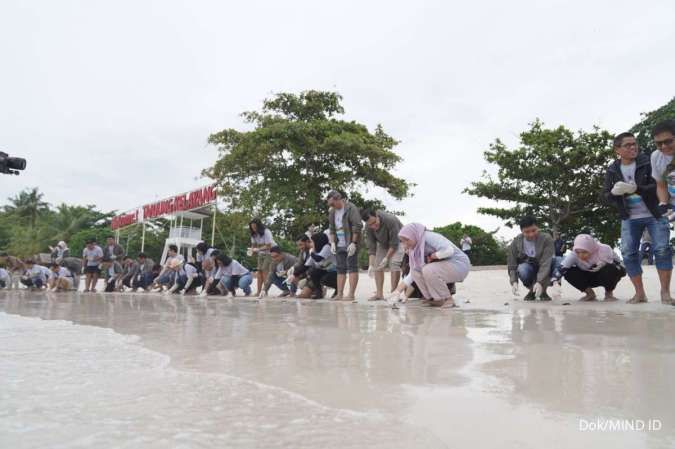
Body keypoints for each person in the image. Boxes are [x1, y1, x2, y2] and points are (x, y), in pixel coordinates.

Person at [604, 131, 672, 304]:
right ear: (617, 149)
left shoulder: (648, 161)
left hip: (655, 213)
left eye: (635, 143)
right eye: (628, 145)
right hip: (629, 217)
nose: (633, 147)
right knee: (628, 253)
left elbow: (657, 186)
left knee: (662, 250)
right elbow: (605, 195)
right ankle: (640, 293)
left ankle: (665, 293)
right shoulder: (612, 169)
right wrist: (613, 193)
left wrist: (635, 188)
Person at [388, 223, 470, 308]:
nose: (405, 244)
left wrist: (432, 256)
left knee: (428, 270)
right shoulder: (414, 248)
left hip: (459, 264)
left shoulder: (429, 237)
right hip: (443, 267)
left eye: (407, 240)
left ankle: (448, 299)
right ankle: (436, 299)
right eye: (402, 241)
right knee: (416, 271)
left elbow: (449, 251)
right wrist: (397, 291)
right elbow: (412, 274)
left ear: (413, 235)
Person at [552, 234, 626, 302]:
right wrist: (555, 282)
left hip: (604, 275)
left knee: (610, 268)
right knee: (568, 272)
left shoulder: (604, 249)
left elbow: (620, 268)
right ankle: (590, 294)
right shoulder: (574, 254)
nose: (581, 255)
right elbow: (561, 268)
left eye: (584, 252)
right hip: (587, 277)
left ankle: (609, 293)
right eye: (578, 252)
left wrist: (603, 264)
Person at [507, 216, 558, 301]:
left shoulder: (546, 239)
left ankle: (543, 291)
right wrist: (514, 281)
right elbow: (512, 263)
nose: (531, 234)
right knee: (522, 269)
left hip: (545, 267)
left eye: (534, 230)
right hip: (529, 267)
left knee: (556, 261)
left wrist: (539, 282)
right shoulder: (516, 242)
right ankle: (532, 290)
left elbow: (546, 263)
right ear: (521, 231)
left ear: (538, 227)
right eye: (527, 232)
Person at [361, 209, 405, 301]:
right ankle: (379, 294)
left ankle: (394, 293)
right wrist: (370, 265)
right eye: (370, 225)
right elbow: (372, 247)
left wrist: (386, 258)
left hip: (400, 241)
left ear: (377, 216)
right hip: (383, 244)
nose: (373, 226)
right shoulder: (368, 227)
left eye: (374, 222)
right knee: (377, 266)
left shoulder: (390, 220)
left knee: (394, 263)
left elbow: (394, 243)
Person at [326, 190, 363, 301]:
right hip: (339, 243)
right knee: (340, 268)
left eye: (332, 203)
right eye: (330, 205)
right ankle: (340, 294)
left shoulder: (351, 208)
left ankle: (351, 294)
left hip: (350, 242)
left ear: (338, 199)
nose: (332, 206)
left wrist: (353, 243)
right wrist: (332, 242)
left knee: (352, 267)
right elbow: (332, 228)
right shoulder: (332, 212)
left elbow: (357, 226)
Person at [298, 232, 337, 299]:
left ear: (318, 241)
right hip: (326, 271)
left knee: (324, 279)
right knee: (313, 272)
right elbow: (306, 266)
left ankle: (338, 288)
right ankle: (319, 292)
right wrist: (294, 274)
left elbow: (318, 258)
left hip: (335, 272)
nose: (311, 244)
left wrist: (311, 253)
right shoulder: (315, 251)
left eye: (312, 242)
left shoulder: (327, 247)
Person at [248, 218, 277, 297]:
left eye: (255, 227)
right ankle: (258, 291)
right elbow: (253, 245)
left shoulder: (266, 232)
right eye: (252, 227)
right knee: (259, 271)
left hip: (271, 252)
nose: (254, 229)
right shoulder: (253, 234)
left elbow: (269, 245)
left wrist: (257, 249)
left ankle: (265, 291)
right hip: (261, 253)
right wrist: (251, 251)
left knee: (265, 270)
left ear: (259, 226)